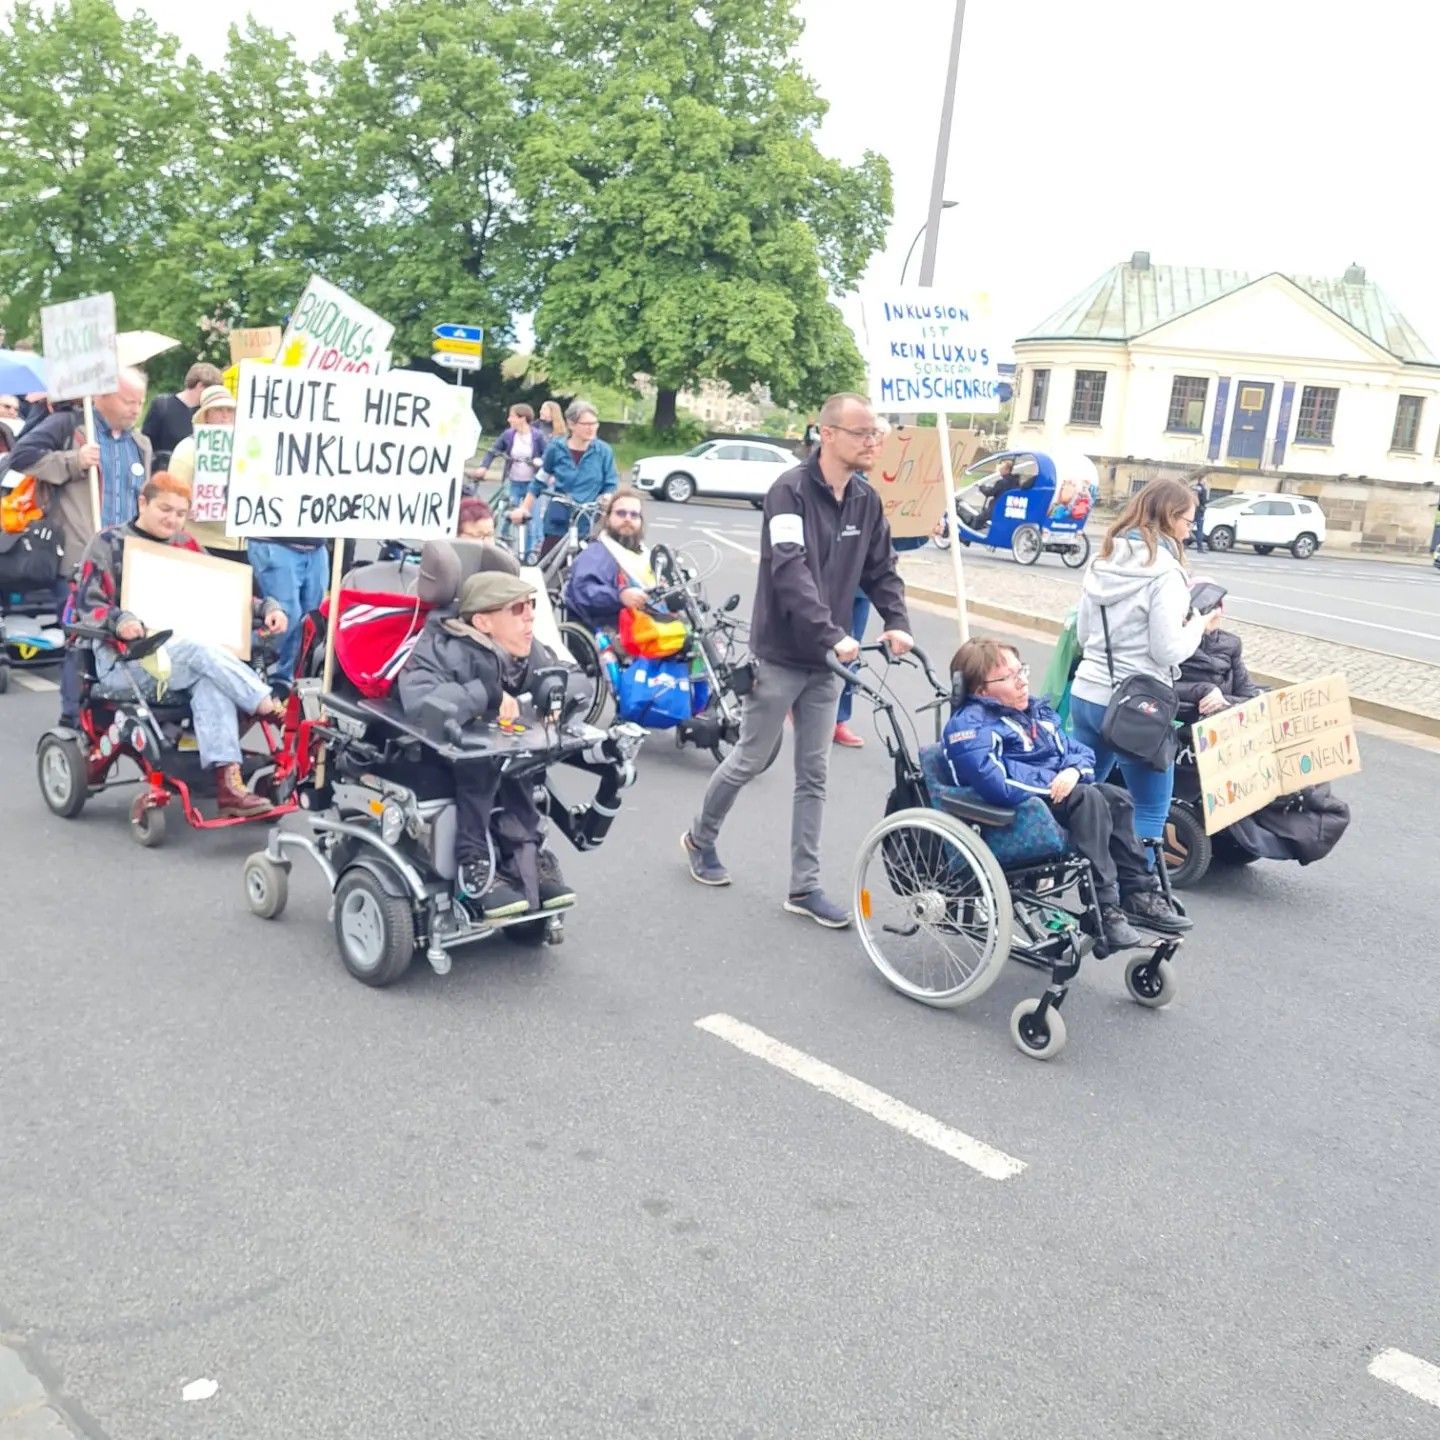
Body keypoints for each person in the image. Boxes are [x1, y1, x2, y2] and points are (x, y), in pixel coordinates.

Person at [681, 392, 913, 929]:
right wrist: (831, 634)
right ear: (828, 434)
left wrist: (896, 620)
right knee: (749, 758)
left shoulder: (865, 499)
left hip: (829, 664)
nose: (873, 442)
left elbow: (882, 568)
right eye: (862, 433)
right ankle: (700, 838)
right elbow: (790, 572)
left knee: (814, 774)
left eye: (875, 434)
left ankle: (804, 886)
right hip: (784, 654)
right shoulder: (788, 492)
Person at [71, 472, 287, 815]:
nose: (173, 519)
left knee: (208, 677)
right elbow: (87, 604)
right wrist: (119, 620)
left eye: (181, 513)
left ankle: (228, 784)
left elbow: (223, 594)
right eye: (165, 509)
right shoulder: (108, 543)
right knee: (201, 652)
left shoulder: (185, 545)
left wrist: (267, 608)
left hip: (182, 658)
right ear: (143, 503)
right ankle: (267, 704)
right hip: (126, 662)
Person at [943, 639, 1171, 950]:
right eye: (1009, 677)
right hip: (1009, 815)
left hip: (1050, 800)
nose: (1022, 681)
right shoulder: (969, 728)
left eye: (1021, 671)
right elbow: (997, 784)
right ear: (981, 691)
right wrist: (1057, 783)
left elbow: (1078, 751)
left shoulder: (1033, 712)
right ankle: (1104, 909)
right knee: (1088, 798)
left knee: (1116, 798)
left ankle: (1138, 894)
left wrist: (1073, 772)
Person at [396, 569, 578, 919]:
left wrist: (555, 694)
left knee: (525, 760)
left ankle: (526, 860)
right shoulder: (441, 648)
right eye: (517, 609)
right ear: (482, 621)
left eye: (531, 605)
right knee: (482, 764)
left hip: (500, 748)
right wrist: (487, 694)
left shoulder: (526, 648)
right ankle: (474, 864)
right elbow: (420, 703)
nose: (530, 616)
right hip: (438, 752)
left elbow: (568, 676)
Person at [1069, 477, 1204, 931]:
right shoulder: (1166, 573)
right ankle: (1139, 896)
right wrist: (1199, 625)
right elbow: (1167, 650)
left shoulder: (1103, 559)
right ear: (1169, 517)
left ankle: (1077, 880)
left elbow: (1083, 634)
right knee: (1148, 808)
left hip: (1088, 695)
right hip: (1135, 710)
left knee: (1082, 794)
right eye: (1188, 520)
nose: (1190, 529)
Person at [508, 399, 618, 560]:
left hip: (588, 521)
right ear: (571, 424)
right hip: (559, 518)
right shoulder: (556, 448)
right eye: (586, 424)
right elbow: (539, 481)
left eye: (594, 423)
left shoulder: (603, 451)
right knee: (548, 563)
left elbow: (610, 484)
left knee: (586, 566)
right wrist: (524, 508)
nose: (591, 428)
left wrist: (607, 497)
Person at [168, 384, 242, 559]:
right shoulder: (187, 449)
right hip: (203, 543)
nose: (225, 415)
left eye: (230, 410)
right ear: (206, 415)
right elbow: (172, 493)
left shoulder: (249, 448)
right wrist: (186, 507)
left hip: (243, 546)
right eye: (218, 410)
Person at [562, 487, 651, 632]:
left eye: (634, 515)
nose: (627, 519)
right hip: (607, 630)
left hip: (643, 626)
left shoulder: (645, 555)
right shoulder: (596, 553)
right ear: (608, 518)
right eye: (621, 513)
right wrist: (620, 596)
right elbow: (582, 590)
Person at [1175, 586, 1259, 715]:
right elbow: (1156, 686)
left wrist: (1220, 701)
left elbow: (1249, 695)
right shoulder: (1171, 643)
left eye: (1216, 606)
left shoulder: (1231, 643)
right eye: (1204, 606)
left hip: (1218, 717)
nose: (1213, 613)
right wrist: (1204, 690)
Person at [477, 404, 543, 554]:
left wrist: (539, 461)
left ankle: (529, 553)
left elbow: (547, 454)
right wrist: (484, 467)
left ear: (522, 418)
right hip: (513, 481)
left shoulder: (537, 436)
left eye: (512, 416)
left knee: (530, 518)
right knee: (507, 514)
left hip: (532, 484)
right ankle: (502, 544)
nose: (509, 419)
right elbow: (493, 451)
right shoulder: (508, 435)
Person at [141, 361, 223, 471]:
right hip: (164, 472)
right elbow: (146, 442)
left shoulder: (206, 412)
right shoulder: (162, 405)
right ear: (200, 386)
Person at [1190, 475, 1210, 552]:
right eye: (1205, 479)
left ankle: (1183, 543)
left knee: (1188, 527)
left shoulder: (1194, 487)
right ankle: (1200, 547)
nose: (1206, 481)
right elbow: (1204, 501)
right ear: (1202, 480)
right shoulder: (1203, 489)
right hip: (1199, 511)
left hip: (1192, 510)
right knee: (1200, 529)